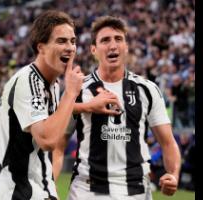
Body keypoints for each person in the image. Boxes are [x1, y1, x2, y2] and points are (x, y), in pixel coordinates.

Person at [53, 16, 181, 200]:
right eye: (105, 40)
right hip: (87, 190)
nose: (113, 45)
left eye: (118, 39)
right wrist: (50, 184)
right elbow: (58, 144)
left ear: (126, 47)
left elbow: (168, 142)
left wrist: (173, 174)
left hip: (135, 191)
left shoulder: (148, 89)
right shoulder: (78, 90)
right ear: (93, 50)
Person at [0, 10, 85, 200]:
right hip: (13, 191)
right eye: (61, 41)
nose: (70, 47)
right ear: (41, 47)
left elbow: (52, 118)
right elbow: (47, 139)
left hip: (38, 187)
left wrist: (88, 105)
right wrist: (70, 94)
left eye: (73, 41)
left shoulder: (52, 84)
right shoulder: (28, 80)